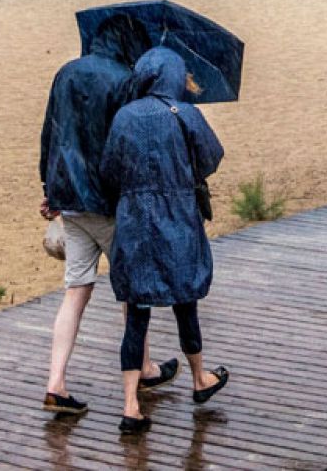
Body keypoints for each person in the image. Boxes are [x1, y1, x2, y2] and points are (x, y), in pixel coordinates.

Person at [38, 14, 174, 415]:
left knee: (76, 291)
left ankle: (56, 382)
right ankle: (144, 370)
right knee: (133, 290)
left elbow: (50, 133)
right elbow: (127, 143)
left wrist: (49, 190)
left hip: (71, 201)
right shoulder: (123, 80)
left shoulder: (66, 73)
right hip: (110, 204)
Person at [96, 47, 230, 435]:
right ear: (172, 76)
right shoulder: (185, 113)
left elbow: (109, 169)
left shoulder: (124, 116)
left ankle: (130, 404)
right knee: (185, 301)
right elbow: (211, 159)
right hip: (178, 218)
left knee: (137, 312)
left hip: (135, 220)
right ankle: (200, 377)